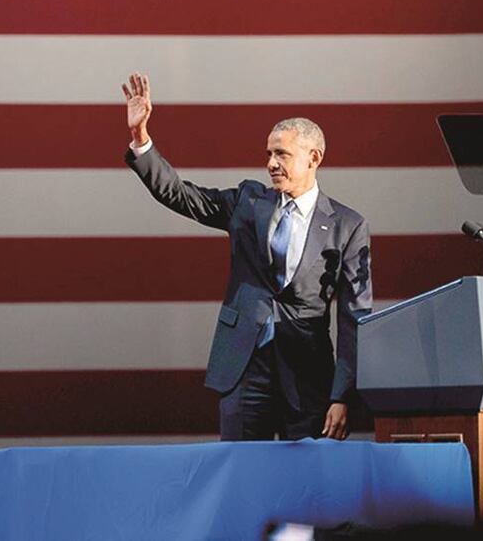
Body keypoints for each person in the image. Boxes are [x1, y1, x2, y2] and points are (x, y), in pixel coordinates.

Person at [122, 73, 372, 441]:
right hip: (244, 369)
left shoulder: (347, 225)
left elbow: (354, 319)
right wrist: (141, 140)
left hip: (306, 378)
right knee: (240, 476)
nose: (270, 162)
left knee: (303, 487)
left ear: (314, 158)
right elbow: (180, 194)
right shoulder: (248, 201)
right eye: (269, 152)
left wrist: (342, 395)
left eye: (282, 153)